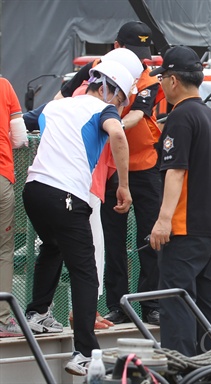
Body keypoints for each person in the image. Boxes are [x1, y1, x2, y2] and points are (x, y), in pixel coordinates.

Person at [22, 60, 133, 375]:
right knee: (85, 271)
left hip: (34, 191)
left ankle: (38, 312)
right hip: (67, 195)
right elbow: (118, 136)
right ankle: (84, 351)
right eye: (122, 98)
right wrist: (123, 186)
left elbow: (19, 124)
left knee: (52, 245)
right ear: (110, 90)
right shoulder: (103, 111)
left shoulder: (56, 107)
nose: (120, 106)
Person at [58, 21, 163, 326]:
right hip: (107, 170)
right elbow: (63, 96)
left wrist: (107, 123)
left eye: (143, 53)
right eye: (132, 50)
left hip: (143, 166)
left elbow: (136, 116)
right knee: (112, 240)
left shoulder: (147, 79)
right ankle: (118, 305)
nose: (139, 60)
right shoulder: (95, 68)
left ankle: (151, 304)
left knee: (150, 237)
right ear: (117, 46)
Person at [148, 45, 211, 356]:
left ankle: (179, 368)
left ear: (172, 80)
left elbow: (176, 170)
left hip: (183, 228)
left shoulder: (180, 117)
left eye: (162, 79)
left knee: (176, 302)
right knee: (209, 301)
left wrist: (164, 218)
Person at [0, 76, 27, 337]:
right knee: (3, 249)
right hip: (0, 175)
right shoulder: (4, 85)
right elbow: (19, 137)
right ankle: (1, 319)